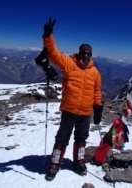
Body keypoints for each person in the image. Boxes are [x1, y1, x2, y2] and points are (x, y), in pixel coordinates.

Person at [42, 17, 103, 181]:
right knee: (62, 137)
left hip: (85, 112)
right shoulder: (69, 64)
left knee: (81, 138)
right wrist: (48, 36)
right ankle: (55, 163)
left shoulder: (95, 73)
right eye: (83, 52)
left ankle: (79, 161)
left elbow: (97, 91)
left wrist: (98, 108)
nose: (86, 55)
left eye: (88, 53)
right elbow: (53, 54)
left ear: (91, 55)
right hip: (69, 109)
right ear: (79, 52)